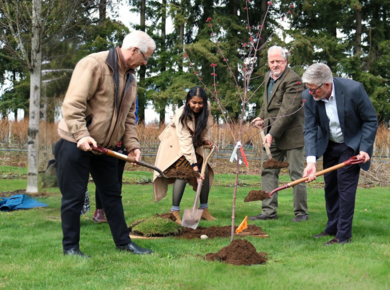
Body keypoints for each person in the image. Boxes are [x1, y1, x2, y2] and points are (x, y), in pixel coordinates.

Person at [55, 30, 155, 257]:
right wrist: (81, 135)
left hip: (106, 147)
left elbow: (129, 117)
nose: (145, 62)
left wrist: (133, 145)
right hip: (75, 142)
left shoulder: (130, 77)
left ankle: (124, 244)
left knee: (112, 196)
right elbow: (72, 105)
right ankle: (70, 248)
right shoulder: (93, 64)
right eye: (145, 57)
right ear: (133, 50)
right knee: (74, 196)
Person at [302, 63, 378, 245]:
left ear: (327, 85)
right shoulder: (308, 97)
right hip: (329, 145)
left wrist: (364, 149)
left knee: (345, 188)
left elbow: (370, 120)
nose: (310, 93)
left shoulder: (354, 90)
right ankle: (332, 227)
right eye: (308, 89)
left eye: (313, 90)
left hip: (351, 146)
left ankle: (343, 235)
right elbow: (310, 129)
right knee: (331, 187)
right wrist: (311, 162)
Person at [249, 46, 308, 222]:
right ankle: (268, 212)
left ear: (285, 61)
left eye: (278, 61)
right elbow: (267, 103)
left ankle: (301, 213)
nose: (275, 65)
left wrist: (272, 133)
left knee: (296, 175)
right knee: (267, 171)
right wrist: (261, 116)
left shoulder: (294, 80)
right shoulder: (268, 77)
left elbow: (287, 110)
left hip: (291, 135)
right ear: (268, 62)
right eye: (272, 61)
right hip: (271, 133)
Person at [153, 86, 216, 225]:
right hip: (176, 143)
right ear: (188, 101)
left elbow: (207, 125)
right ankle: (174, 211)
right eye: (194, 102)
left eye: (200, 103)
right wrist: (194, 167)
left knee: (204, 170)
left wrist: (205, 139)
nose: (197, 106)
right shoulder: (182, 114)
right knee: (183, 172)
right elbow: (185, 143)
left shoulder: (207, 107)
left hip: (194, 142)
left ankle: (204, 209)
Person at [92, 98, 138, 223]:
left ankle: (113, 211)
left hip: (121, 142)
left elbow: (132, 116)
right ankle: (99, 211)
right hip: (105, 142)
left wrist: (131, 144)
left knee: (117, 178)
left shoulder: (131, 91)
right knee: (103, 179)